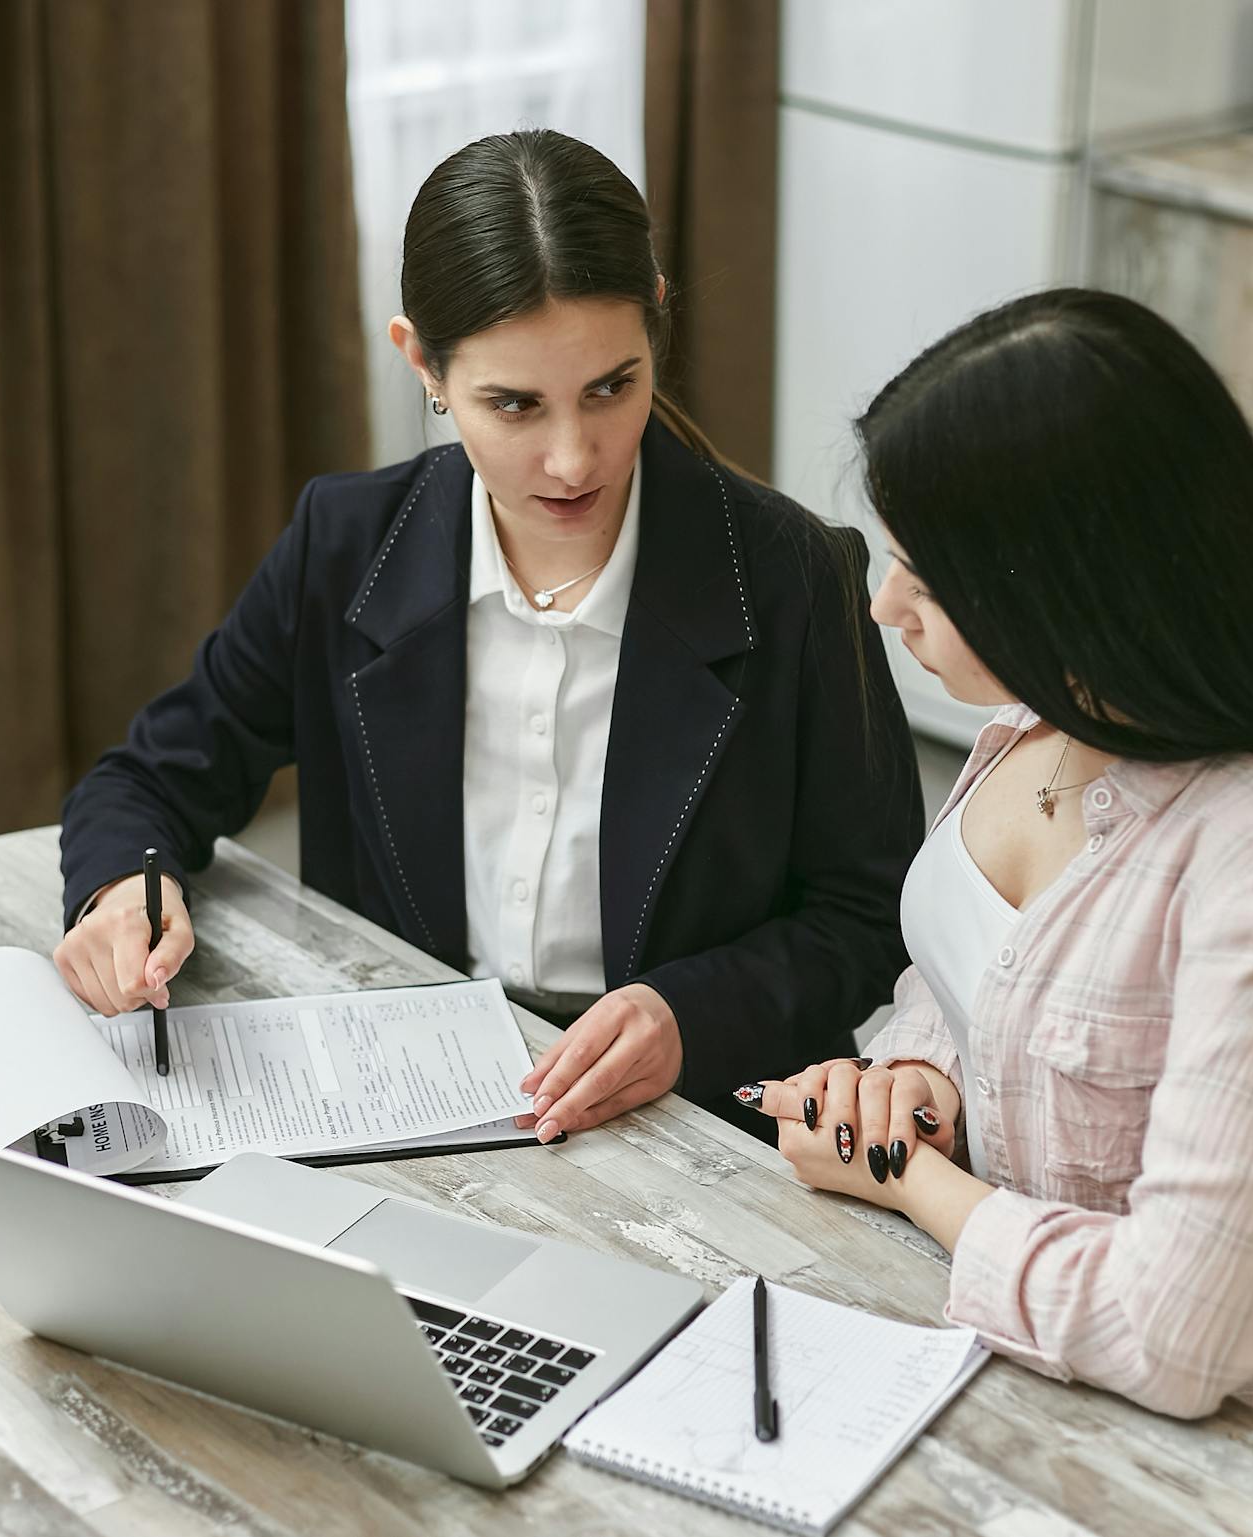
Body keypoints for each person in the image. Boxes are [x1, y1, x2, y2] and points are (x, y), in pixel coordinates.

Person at [746, 290, 1253, 1537]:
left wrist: (913, 1178)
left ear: (1068, 574)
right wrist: (926, 1079)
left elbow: (1184, 1336)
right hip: (1037, 1362)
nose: (885, 604)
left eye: (927, 569)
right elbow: (972, 976)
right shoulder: (1039, 717)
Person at [56, 128, 923, 1141]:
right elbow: (152, 776)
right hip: (403, 1091)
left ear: (657, 319)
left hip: (692, 1116)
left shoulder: (791, 576)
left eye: (612, 387)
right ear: (420, 360)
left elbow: (869, 917)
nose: (571, 459)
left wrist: (688, 1012)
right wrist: (121, 890)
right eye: (513, 405)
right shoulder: (346, 545)